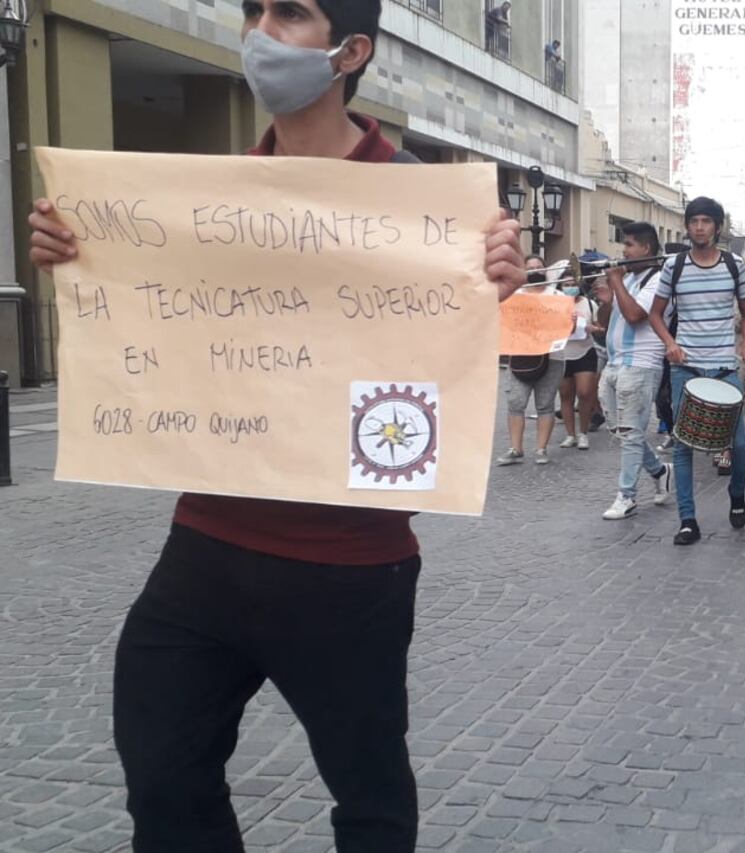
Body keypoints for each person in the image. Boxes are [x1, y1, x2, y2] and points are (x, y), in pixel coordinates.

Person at [27, 0, 527, 847]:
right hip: (206, 545)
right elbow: (156, 313)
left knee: (369, 797)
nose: (261, 30)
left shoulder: (423, 201)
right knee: (160, 771)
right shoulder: (213, 201)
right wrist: (80, 254)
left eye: (289, 14)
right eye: (254, 10)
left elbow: (452, 343)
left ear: (349, 51)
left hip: (349, 570)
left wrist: (495, 281)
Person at [648, 197, 745, 545]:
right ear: (687, 226)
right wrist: (669, 341)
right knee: (683, 445)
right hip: (686, 367)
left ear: (717, 227)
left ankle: (737, 494)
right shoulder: (674, 266)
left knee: (738, 446)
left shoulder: (733, 265)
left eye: (706, 221)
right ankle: (687, 521)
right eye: (694, 221)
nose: (699, 227)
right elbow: (655, 313)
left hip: (725, 367)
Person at [595, 222, 674, 519]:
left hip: (640, 364)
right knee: (621, 431)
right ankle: (658, 470)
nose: (623, 252)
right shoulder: (627, 280)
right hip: (616, 363)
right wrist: (605, 301)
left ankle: (626, 495)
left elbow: (634, 315)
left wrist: (615, 281)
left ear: (646, 248)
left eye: (629, 245)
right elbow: (607, 322)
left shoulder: (658, 280)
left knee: (630, 433)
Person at [497, 255, 566, 466]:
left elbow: (567, 329)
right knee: (515, 403)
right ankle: (515, 449)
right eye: (530, 268)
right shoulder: (512, 297)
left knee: (545, 404)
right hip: (520, 356)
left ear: (545, 270)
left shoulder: (557, 296)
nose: (535, 271)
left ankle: (541, 449)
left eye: (538, 267)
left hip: (551, 358)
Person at [555, 268, 603, 450]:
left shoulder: (589, 304)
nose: (570, 288)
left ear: (579, 285)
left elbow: (600, 326)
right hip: (562, 354)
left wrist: (593, 328)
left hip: (585, 351)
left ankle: (583, 433)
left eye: (573, 284)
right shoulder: (555, 305)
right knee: (566, 395)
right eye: (566, 285)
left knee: (585, 393)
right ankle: (570, 435)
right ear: (560, 286)